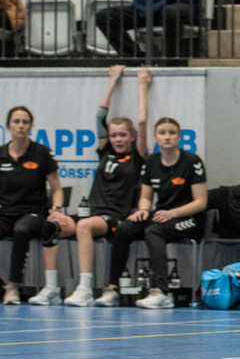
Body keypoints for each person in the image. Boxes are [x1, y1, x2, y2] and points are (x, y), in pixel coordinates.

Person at [47, 67, 152, 307]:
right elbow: (98, 118)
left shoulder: (137, 156)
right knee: (52, 226)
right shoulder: (105, 152)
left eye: (123, 135)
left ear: (132, 136)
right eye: (114, 135)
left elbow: (143, 121)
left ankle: (85, 288)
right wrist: (112, 82)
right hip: (93, 212)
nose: (118, 139)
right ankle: (50, 287)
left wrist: (142, 85)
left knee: (83, 226)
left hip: (115, 215)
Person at [108, 115, 206, 309]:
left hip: (190, 218)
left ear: (179, 137)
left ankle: (161, 292)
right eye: (162, 133)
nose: (167, 137)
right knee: (124, 228)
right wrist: (143, 210)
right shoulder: (151, 162)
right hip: (162, 216)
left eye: (172, 133)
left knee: (153, 231)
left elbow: (201, 202)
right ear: (155, 137)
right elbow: (146, 197)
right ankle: (112, 289)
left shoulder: (192, 161)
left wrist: (173, 213)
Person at [0, 106, 66, 306]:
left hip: (33, 213)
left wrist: (56, 209)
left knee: (21, 231)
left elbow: (57, 189)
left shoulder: (41, 153)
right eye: (16, 122)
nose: (20, 126)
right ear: (8, 125)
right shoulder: (1, 154)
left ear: (30, 126)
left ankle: (13, 286)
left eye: (25, 122)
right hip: (5, 212)